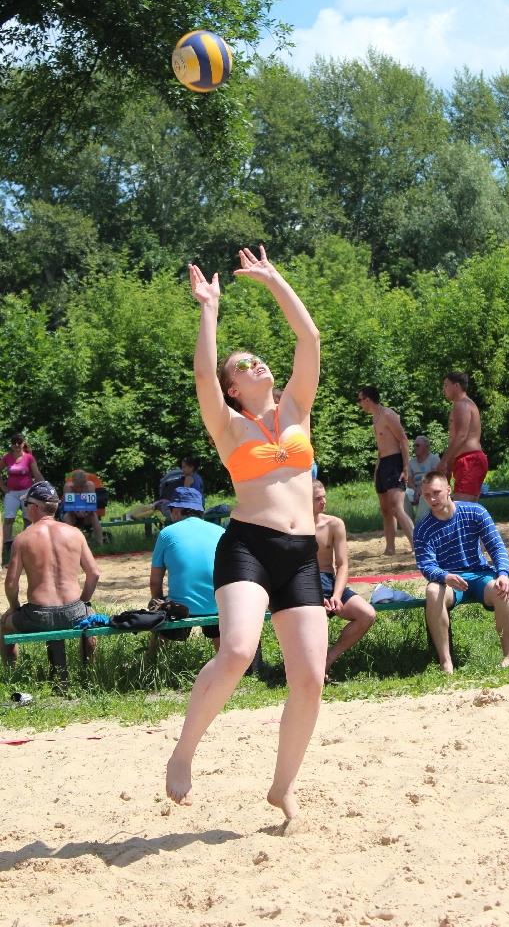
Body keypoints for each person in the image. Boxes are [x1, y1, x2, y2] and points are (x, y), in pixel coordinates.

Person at [166, 245, 325, 824]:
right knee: (236, 650)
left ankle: (282, 787)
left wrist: (275, 280)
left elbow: (309, 338)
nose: (256, 364)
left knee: (310, 679)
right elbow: (202, 374)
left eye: (258, 359)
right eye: (244, 365)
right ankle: (183, 754)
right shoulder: (228, 425)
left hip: (301, 554)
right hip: (248, 547)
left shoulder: (296, 409)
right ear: (232, 388)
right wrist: (208, 308)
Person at [415, 471, 509, 672]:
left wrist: (503, 574)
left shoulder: (475, 512)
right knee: (432, 591)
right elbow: (426, 566)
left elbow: (496, 547)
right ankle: (446, 662)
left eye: (436, 492)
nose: (432, 499)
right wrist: (445, 576)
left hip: (480, 575)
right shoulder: (422, 529)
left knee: (501, 589)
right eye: (427, 495)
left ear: (448, 490)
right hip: (448, 580)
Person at [0, 481, 100, 665]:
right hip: (73, 611)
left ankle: (11, 672)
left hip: (37, 615)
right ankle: (89, 669)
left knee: (4, 626)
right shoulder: (75, 533)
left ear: (34, 508)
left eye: (26, 504)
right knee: (90, 617)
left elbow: (11, 584)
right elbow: (94, 573)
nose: (25, 509)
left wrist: (14, 607)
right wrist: (83, 603)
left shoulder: (22, 539)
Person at [148, 487, 224, 654]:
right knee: (221, 636)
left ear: (177, 510)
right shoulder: (221, 532)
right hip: (219, 606)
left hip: (180, 608)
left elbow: (155, 581)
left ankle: (152, 661)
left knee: (164, 619)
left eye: (170, 510)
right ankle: (226, 662)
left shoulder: (166, 534)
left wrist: (157, 604)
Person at [312, 479, 376, 677]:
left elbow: (343, 565)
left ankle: (329, 658)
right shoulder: (294, 527)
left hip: (329, 581)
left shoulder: (334, 524)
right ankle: (313, 669)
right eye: (317, 499)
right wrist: (316, 596)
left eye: (324, 497)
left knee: (367, 614)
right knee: (316, 619)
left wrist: (337, 595)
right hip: (306, 581)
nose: (323, 502)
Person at [357, 385, 414, 556]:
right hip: (383, 463)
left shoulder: (387, 414)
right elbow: (382, 447)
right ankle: (390, 548)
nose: (359, 404)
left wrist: (406, 468)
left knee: (396, 508)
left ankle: (417, 546)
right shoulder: (375, 418)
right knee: (386, 510)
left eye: (360, 400)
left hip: (395, 462)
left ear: (367, 400)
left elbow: (403, 440)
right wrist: (377, 469)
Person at [437, 372, 488, 502]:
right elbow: (456, 439)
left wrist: (443, 462)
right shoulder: (460, 405)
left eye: (446, 385)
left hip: (470, 460)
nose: (443, 390)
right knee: (465, 508)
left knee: (462, 508)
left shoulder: (462, 404)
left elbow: (461, 436)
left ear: (456, 386)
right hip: (465, 460)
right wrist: (449, 468)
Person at [1, 434, 42, 563]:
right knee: (8, 519)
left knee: (27, 519)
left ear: (24, 443)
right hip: (11, 493)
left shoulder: (29, 458)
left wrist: (44, 486)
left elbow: (36, 473)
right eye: (14, 442)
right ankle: (5, 547)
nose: (17, 445)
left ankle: (26, 546)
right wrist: (3, 487)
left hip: (27, 492)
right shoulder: (7, 457)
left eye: (19, 442)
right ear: (12, 444)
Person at [62, 469, 104, 545]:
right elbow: (68, 509)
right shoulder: (68, 487)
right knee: (69, 517)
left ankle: (100, 544)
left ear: (86, 482)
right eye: (76, 487)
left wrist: (86, 512)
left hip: (86, 516)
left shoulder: (90, 486)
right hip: (72, 515)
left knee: (94, 516)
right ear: (72, 482)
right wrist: (76, 512)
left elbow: (92, 507)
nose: (79, 489)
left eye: (81, 486)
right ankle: (69, 545)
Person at [406, 436, 441, 524]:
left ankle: (419, 522)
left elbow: (434, 479)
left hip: (430, 489)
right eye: (414, 445)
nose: (415, 447)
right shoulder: (411, 462)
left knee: (424, 496)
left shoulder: (434, 459)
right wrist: (416, 490)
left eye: (418, 445)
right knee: (403, 495)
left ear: (426, 447)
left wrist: (422, 491)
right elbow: (409, 481)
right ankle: (408, 522)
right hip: (415, 489)